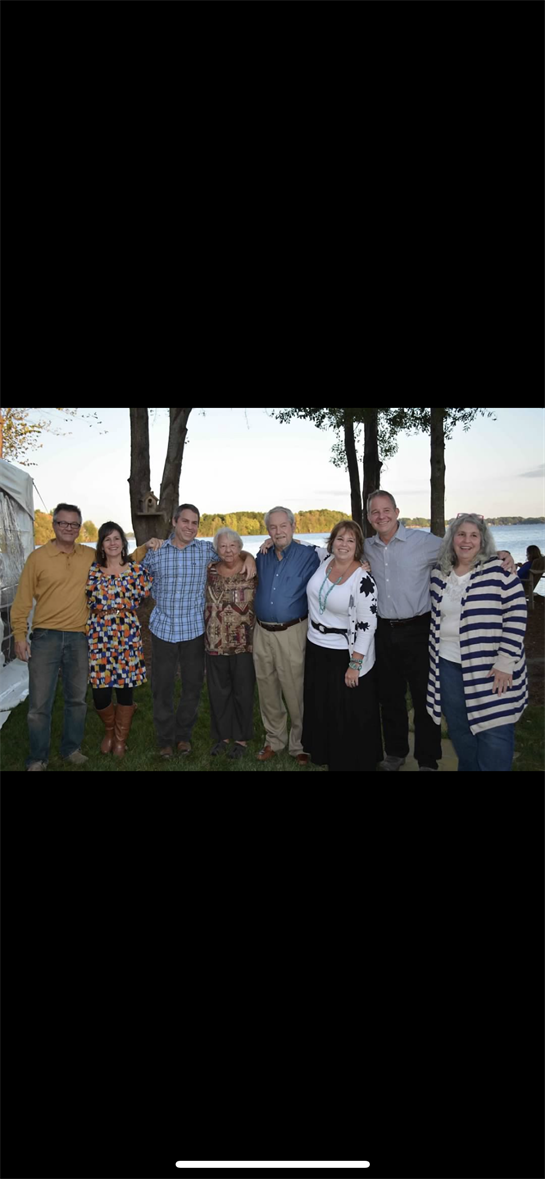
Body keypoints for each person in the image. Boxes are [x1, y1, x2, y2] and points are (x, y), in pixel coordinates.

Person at [364, 491, 516, 773]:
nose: (381, 516)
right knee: (390, 697)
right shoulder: (366, 547)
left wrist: (501, 555)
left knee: (425, 697)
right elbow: (336, 553)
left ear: (397, 512)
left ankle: (427, 759)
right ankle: (395, 752)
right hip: (382, 631)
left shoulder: (423, 542)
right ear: (369, 517)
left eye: (386, 510)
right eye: (375, 511)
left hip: (419, 629)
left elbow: (462, 548)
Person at [11, 502, 156, 771]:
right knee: (40, 703)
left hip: (80, 636)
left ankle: (72, 749)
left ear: (79, 527)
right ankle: (38, 758)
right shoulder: (38, 558)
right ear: (54, 525)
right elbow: (21, 601)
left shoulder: (88, 556)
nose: (69, 528)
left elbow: (122, 560)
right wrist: (19, 635)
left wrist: (146, 546)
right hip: (47, 636)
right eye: (63, 523)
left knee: (76, 699)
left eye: (74, 524)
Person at [140, 504, 256, 759]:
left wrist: (249, 557)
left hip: (193, 630)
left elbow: (231, 552)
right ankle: (165, 739)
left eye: (195, 523)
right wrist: (144, 546)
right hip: (163, 629)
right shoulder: (157, 552)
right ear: (174, 522)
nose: (190, 527)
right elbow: (134, 573)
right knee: (162, 687)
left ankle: (183, 737)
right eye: (185, 521)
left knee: (192, 688)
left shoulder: (205, 550)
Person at [426, 514, 528, 771]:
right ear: (452, 539)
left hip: (492, 667)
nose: (466, 541)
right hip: (448, 666)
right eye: (461, 534)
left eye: (474, 535)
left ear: (483, 540)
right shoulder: (439, 573)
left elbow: (517, 613)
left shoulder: (499, 571)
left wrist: (505, 661)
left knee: (495, 731)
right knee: (461, 731)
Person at [301, 520, 382, 771]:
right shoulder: (325, 560)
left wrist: (355, 664)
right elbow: (301, 544)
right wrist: (271, 541)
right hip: (317, 647)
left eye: (350, 540)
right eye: (339, 539)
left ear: (358, 546)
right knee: (322, 708)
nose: (344, 545)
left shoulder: (363, 580)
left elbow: (368, 626)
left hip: (344, 653)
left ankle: (350, 763)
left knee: (345, 713)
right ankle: (326, 756)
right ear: (332, 541)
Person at [253, 506, 321, 763]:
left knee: (295, 689)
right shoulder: (262, 556)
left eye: (283, 526)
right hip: (262, 632)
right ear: (267, 530)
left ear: (293, 526)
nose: (278, 531)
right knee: (267, 689)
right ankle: (274, 740)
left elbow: (340, 555)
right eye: (273, 527)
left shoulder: (310, 556)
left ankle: (300, 743)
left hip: (292, 631)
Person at [86, 521, 153, 758]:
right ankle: (109, 731)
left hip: (126, 634)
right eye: (107, 539)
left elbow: (147, 595)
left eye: (116, 538)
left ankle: (121, 739)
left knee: (125, 688)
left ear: (123, 543)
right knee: (101, 691)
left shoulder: (136, 571)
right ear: (101, 545)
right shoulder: (92, 571)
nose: (112, 543)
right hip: (100, 635)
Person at [204, 527, 258, 760]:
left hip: (244, 643)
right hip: (215, 642)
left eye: (233, 545)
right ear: (217, 549)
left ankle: (241, 738)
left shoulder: (251, 570)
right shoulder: (209, 570)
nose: (228, 550)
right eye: (223, 546)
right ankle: (223, 736)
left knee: (243, 691)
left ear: (240, 547)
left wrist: (250, 557)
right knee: (218, 692)